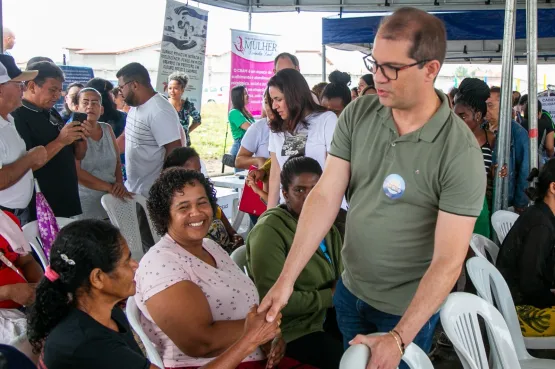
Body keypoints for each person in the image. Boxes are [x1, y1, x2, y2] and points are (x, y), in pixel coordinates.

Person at [258, 8, 485, 369]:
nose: (377, 77)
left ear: (430, 69)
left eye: (391, 68)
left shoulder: (459, 152)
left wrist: (399, 336)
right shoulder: (359, 114)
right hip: (350, 291)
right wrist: (287, 280)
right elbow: (326, 195)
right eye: (374, 63)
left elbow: (448, 260)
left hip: (406, 310)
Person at [26, 219, 279, 369]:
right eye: (126, 261)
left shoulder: (106, 312)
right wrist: (250, 339)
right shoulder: (85, 341)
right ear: (98, 278)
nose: (135, 264)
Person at [134, 169, 286, 369]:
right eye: (183, 207)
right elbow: (200, 343)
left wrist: (270, 337)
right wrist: (262, 329)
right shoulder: (161, 264)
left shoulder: (210, 246)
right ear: (165, 215)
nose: (196, 212)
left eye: (202, 202)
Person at [247, 156, 343, 369]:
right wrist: (329, 297)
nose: (309, 197)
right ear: (284, 193)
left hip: (326, 316)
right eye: (299, 190)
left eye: (315, 188)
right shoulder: (269, 231)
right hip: (291, 330)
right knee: (348, 361)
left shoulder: (328, 227)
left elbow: (340, 277)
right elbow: (271, 302)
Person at [13, 61, 89, 222]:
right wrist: (61, 141)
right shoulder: (18, 116)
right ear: (32, 86)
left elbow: (78, 155)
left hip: (64, 200)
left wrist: (79, 139)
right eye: (52, 90)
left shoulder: (51, 111)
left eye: (59, 90)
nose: (57, 96)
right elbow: (24, 166)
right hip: (40, 205)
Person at [496, 161, 555, 337]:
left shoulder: (542, 214)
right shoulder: (541, 225)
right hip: (518, 312)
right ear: (553, 187)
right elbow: (530, 285)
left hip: (521, 300)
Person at [266, 68, 337, 208]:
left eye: (278, 99)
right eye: (272, 100)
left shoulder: (326, 120)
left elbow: (334, 172)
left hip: (322, 206)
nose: (274, 106)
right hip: (289, 210)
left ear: (294, 96)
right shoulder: (277, 128)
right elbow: (275, 174)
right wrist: (269, 214)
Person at [116, 62, 182, 198]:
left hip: (152, 194)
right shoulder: (136, 106)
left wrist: (162, 188)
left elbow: (174, 151)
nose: (120, 92)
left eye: (121, 87)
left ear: (134, 85)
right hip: (134, 189)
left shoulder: (159, 110)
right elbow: (125, 137)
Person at [162, 147, 243, 253]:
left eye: (199, 170)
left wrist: (234, 236)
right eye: (192, 172)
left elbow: (230, 229)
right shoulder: (172, 210)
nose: (199, 175)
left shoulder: (208, 199)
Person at [0, 55, 47, 222]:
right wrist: (30, 159)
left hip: (16, 213)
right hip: (4, 215)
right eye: (18, 84)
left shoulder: (9, 120)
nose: (23, 89)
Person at [74, 87, 132, 220]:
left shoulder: (107, 129)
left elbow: (117, 162)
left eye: (95, 103)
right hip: (86, 204)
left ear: (101, 109)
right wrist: (110, 187)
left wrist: (119, 184)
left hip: (112, 200)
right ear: (77, 107)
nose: (90, 106)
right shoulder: (74, 132)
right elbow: (77, 172)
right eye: (85, 102)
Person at [453, 78, 496, 237]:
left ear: (477, 116)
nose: (456, 121)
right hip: (455, 204)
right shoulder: (451, 140)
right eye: (454, 116)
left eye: (462, 116)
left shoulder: (491, 139)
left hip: (481, 206)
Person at [0, 210, 43, 360]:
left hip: (25, 304)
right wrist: (7, 292)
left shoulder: (5, 220)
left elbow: (27, 261)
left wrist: (41, 290)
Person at [486, 86, 530, 213]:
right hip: (484, 199)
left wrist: (520, 203)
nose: (486, 110)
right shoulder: (482, 129)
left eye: (490, 105)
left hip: (507, 201)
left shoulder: (518, 133)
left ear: (503, 107)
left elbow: (525, 170)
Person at [235, 90, 272, 171]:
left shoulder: (298, 128)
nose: (269, 107)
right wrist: (259, 161)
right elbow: (238, 161)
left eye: (277, 100)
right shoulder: (259, 127)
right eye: (266, 102)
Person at [167, 71, 202, 147]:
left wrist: (186, 132)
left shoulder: (187, 105)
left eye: (175, 88)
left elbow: (198, 120)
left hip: (183, 144)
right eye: (170, 88)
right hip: (166, 143)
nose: (172, 91)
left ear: (182, 90)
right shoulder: (164, 104)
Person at [519, 96, 554, 162]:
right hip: (539, 161)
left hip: (522, 161)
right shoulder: (546, 124)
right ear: (539, 112)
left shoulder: (520, 125)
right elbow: (550, 147)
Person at [228, 85, 254, 172]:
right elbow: (250, 128)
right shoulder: (234, 112)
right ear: (238, 97)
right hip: (240, 147)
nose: (248, 96)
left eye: (247, 93)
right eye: (245, 94)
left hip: (248, 146)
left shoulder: (245, 112)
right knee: (240, 180)